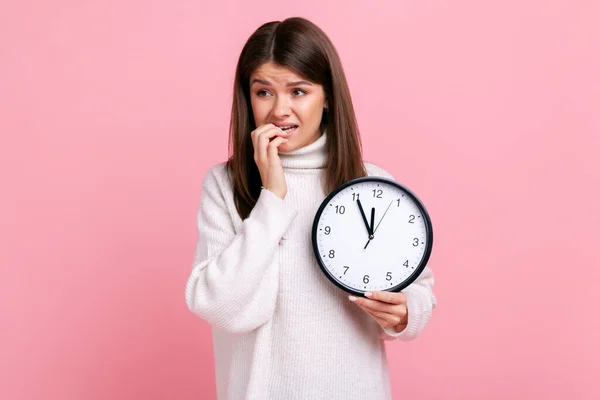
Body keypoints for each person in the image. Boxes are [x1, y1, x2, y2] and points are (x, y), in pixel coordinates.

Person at [185, 17, 437, 400]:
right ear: (247, 96)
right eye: (264, 92)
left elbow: (418, 289)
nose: (279, 110)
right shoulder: (226, 184)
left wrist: (404, 314)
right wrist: (272, 197)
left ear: (328, 96)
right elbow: (223, 306)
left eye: (298, 92)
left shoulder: (369, 183)